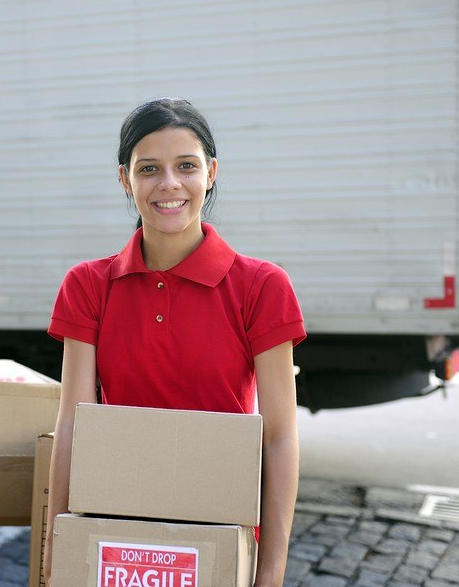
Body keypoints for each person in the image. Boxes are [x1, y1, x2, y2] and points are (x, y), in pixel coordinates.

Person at [44, 98, 306, 586]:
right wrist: (56, 550)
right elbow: (72, 425)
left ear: (211, 172)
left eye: (186, 165)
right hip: (113, 540)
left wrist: (270, 572)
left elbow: (280, 438)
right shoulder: (87, 285)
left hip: (217, 537)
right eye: (149, 169)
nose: (169, 184)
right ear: (126, 179)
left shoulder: (262, 286)